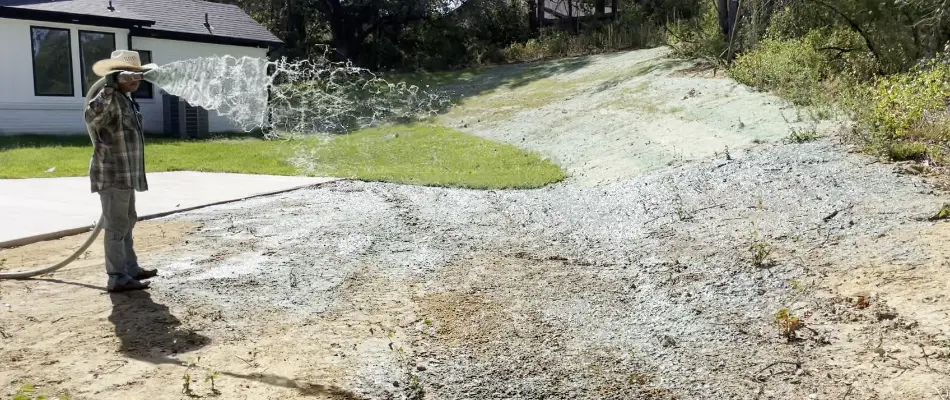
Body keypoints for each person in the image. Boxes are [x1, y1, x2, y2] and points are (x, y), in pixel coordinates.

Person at [84, 50, 159, 292]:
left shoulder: (126, 98)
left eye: (139, 74)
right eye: (131, 75)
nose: (136, 79)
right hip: (113, 174)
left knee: (127, 221)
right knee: (116, 226)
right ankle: (117, 277)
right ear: (117, 77)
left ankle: (130, 268)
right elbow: (90, 115)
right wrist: (108, 87)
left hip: (125, 174)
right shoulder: (107, 97)